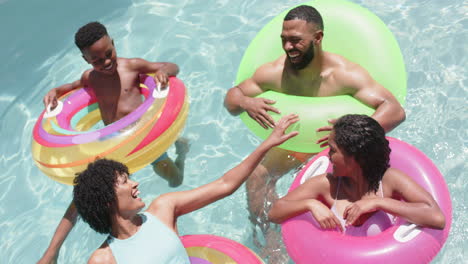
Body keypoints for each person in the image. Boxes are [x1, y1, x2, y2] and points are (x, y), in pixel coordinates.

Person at [223, 4, 406, 254]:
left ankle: (344, 245)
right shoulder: (275, 72)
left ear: (318, 38)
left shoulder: (343, 75)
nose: (288, 47)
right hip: (295, 145)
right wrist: (246, 102)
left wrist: (347, 131)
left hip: (336, 151)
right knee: (256, 176)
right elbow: (233, 98)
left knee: (345, 193)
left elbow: (394, 110)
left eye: (296, 41)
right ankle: (271, 242)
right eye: (284, 40)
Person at [44, 114, 299, 264]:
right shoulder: (103, 259)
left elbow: (225, 184)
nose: (135, 183)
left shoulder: (163, 209)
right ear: (107, 200)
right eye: (124, 181)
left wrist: (267, 144)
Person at [37, 21, 188, 263]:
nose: (106, 62)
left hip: (144, 142)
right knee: (80, 198)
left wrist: (164, 72)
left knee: (174, 179)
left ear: (114, 44)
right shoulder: (91, 78)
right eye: (97, 60)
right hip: (114, 148)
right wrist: (56, 91)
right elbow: (73, 87)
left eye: (109, 54)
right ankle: (51, 253)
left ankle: (182, 153)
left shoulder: (131, 67)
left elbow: (172, 66)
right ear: (86, 60)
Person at [268, 114, 445, 236]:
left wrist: (378, 202)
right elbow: (274, 213)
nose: (327, 155)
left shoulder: (389, 181)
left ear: (355, 157)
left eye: (333, 150)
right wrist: (310, 204)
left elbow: (436, 218)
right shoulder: (328, 185)